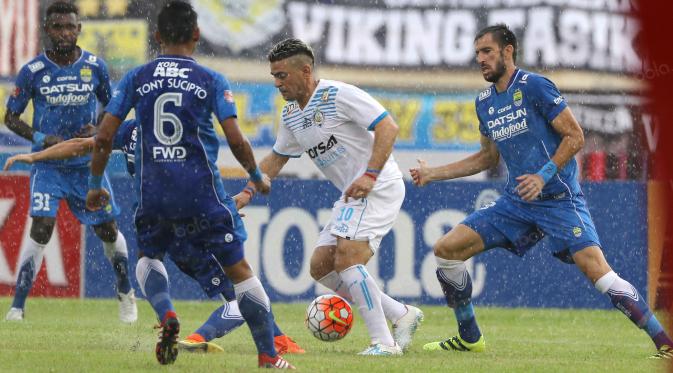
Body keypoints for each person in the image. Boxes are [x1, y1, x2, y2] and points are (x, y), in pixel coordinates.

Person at [410, 24, 673, 359]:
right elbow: (487, 157)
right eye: (477, 53)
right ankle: (469, 337)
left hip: (560, 201)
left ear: (508, 51)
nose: (480, 59)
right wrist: (434, 173)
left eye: (487, 51)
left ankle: (665, 342)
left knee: (599, 273)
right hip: (517, 202)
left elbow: (574, 136)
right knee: (447, 250)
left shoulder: (535, 86)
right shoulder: (484, 103)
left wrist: (543, 174)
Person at [85, 2, 294, 368]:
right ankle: (268, 357)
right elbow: (235, 138)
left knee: (148, 259)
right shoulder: (211, 79)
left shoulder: (137, 77)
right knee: (240, 272)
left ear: (156, 36)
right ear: (197, 35)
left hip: (154, 197)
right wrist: (256, 175)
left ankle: (166, 314)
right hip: (201, 193)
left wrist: (93, 184)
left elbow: (103, 137)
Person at [3, 119, 304, 356]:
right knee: (243, 292)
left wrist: (35, 155)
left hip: (157, 223)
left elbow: (83, 145)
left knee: (148, 263)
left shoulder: (131, 129)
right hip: (197, 222)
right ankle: (200, 338)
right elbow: (204, 175)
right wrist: (227, 206)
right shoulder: (186, 128)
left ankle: (173, 317)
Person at [237, 38, 423, 356]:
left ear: (305, 70)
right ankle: (400, 314)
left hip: (379, 185)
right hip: (352, 193)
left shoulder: (338, 95)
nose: (277, 82)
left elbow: (388, 127)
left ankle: (384, 343)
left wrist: (370, 174)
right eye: (274, 76)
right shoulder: (291, 115)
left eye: (282, 75)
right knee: (322, 266)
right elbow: (277, 158)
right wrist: (247, 190)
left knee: (348, 258)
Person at [3, 1, 136, 323]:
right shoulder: (33, 71)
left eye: (69, 27)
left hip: (86, 165)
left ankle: (126, 294)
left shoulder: (95, 66)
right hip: (49, 166)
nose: (64, 32)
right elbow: (11, 117)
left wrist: (101, 126)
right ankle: (17, 307)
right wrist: (40, 139)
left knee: (107, 229)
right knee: (42, 227)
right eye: (57, 27)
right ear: (47, 30)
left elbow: (114, 105)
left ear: (79, 30)